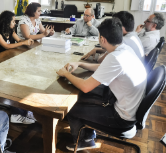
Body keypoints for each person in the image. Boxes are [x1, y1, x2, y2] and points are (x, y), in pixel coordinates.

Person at [57, 18, 147, 151]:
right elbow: (103, 68)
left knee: (71, 108)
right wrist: (80, 64)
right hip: (124, 102)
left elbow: (85, 87)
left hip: (121, 117)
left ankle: (83, 141)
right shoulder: (124, 49)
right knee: (80, 97)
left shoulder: (115, 57)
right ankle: (87, 134)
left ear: (102, 39)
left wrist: (66, 74)